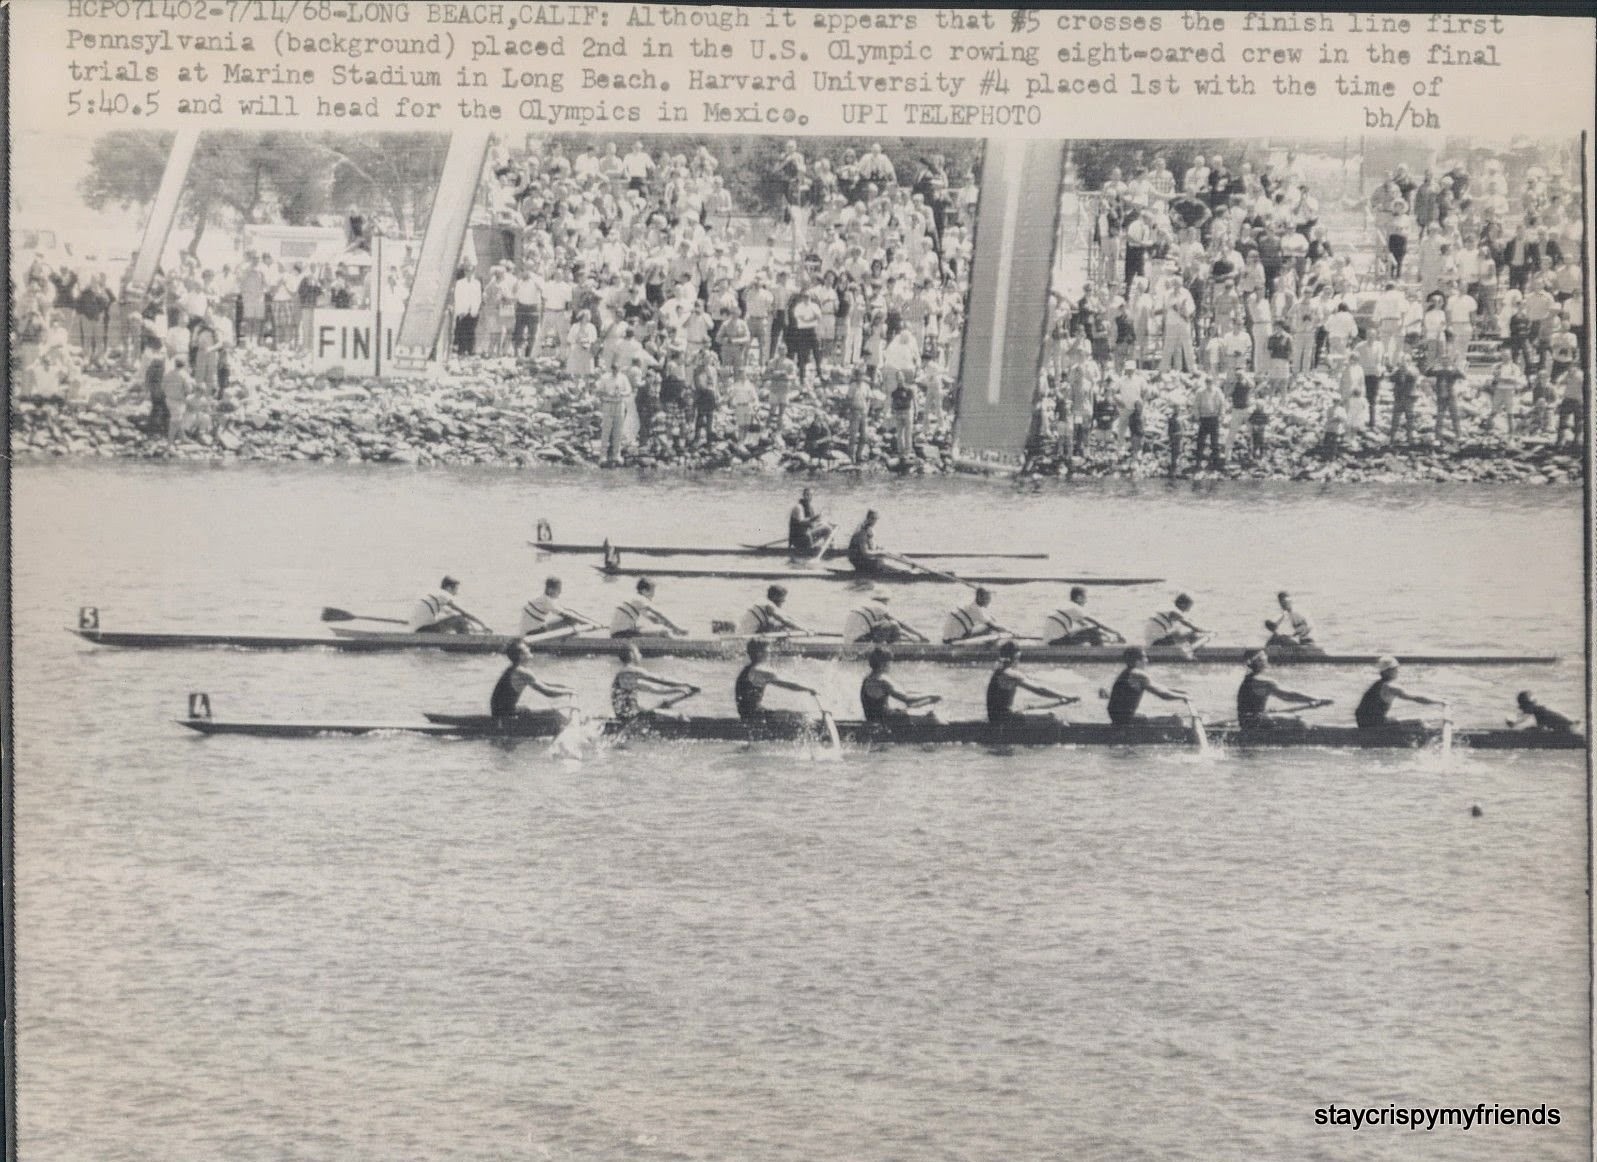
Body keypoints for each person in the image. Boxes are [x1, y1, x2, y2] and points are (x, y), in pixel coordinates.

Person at [986, 640, 1079, 726]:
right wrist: (1068, 696)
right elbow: (1040, 690)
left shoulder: (998, 672)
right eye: (1018, 659)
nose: (1018, 662)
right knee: (1052, 716)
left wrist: (1060, 699)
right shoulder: (1011, 674)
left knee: (1030, 707)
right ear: (1015, 657)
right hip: (1006, 721)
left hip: (996, 719)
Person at [1235, 650, 1328, 729]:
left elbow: (1250, 706)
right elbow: (1288, 696)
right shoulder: (1263, 682)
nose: (1266, 658)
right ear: (1258, 662)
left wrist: (1264, 712)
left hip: (1245, 722)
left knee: (1285, 717)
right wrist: (1315, 699)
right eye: (1264, 657)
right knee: (1299, 720)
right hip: (1256, 721)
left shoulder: (1247, 679)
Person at [735, 638, 820, 724]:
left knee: (788, 714)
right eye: (767, 650)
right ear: (759, 653)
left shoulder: (748, 669)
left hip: (747, 714)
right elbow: (787, 684)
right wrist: (808, 689)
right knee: (801, 717)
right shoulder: (759, 671)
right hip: (754, 715)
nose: (770, 653)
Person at [1105, 646, 1192, 726]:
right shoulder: (1137, 674)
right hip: (1126, 719)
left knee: (1156, 716)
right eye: (1145, 657)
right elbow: (1163, 695)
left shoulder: (1127, 672)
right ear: (1137, 661)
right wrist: (1183, 697)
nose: (1147, 661)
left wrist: (1181, 693)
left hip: (1118, 718)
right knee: (1176, 720)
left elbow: (1161, 688)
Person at [490, 640, 574, 721]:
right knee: (554, 715)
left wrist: (566, 688)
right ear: (521, 656)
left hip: (501, 711)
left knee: (535, 710)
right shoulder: (521, 671)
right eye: (526, 648)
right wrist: (569, 692)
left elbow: (545, 684)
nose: (529, 648)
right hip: (505, 715)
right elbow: (546, 692)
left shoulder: (515, 668)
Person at [1354, 656, 1448, 728]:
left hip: (1365, 723)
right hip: (1374, 725)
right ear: (1387, 671)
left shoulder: (1378, 684)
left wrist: (1438, 698)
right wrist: (1440, 701)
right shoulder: (1390, 687)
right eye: (1395, 668)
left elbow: (1415, 694)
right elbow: (1416, 698)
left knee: (1404, 721)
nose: (1398, 671)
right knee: (1418, 723)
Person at [611, 646, 698, 722]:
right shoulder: (630, 671)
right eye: (638, 652)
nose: (641, 655)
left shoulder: (625, 676)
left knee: (664, 704)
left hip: (627, 715)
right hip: (630, 716)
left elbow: (655, 689)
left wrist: (679, 690)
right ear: (632, 655)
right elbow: (660, 679)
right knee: (680, 717)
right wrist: (685, 685)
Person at [859, 647, 942, 723]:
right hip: (887, 721)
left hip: (873, 719)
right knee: (932, 718)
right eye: (889, 663)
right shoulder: (882, 681)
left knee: (913, 712)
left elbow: (904, 694)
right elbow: (908, 700)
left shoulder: (867, 679)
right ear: (882, 664)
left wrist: (924, 695)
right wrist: (930, 697)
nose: (890, 666)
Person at [1043, 586, 1125, 646]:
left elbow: (1086, 625)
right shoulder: (1075, 608)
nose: (1086, 601)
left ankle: (1099, 648)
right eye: (1085, 598)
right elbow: (1098, 624)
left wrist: (1106, 635)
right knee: (1093, 632)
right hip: (1057, 642)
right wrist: (1117, 632)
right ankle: (1100, 652)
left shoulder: (1065, 605)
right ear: (1079, 598)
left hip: (1051, 641)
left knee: (1092, 631)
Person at [610, 578, 689, 638]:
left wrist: (667, 626)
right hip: (623, 634)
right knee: (665, 632)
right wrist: (678, 629)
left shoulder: (633, 599)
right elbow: (660, 614)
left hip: (616, 633)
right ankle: (680, 644)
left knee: (646, 628)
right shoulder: (641, 599)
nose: (653, 596)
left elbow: (653, 619)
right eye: (652, 592)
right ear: (644, 591)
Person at [520, 577, 594, 638]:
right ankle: (575, 638)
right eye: (558, 590)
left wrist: (589, 621)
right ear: (550, 590)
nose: (560, 592)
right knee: (570, 620)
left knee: (571, 616)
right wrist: (588, 624)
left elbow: (567, 611)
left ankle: (575, 634)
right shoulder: (548, 601)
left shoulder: (542, 598)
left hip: (528, 630)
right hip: (532, 633)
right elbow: (568, 616)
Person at [845, 510, 912, 578]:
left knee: (886, 555)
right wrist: (880, 553)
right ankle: (904, 573)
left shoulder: (869, 529)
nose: (874, 521)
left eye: (876, 518)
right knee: (881, 562)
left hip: (864, 558)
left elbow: (872, 546)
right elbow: (865, 553)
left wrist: (880, 549)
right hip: (859, 561)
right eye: (872, 518)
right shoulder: (862, 532)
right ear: (867, 518)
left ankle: (908, 567)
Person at [940, 587, 1016, 645]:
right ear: (979, 597)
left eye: (989, 598)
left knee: (990, 622)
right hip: (953, 640)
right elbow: (994, 626)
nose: (989, 601)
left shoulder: (969, 604)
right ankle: (990, 648)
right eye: (987, 598)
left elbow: (989, 619)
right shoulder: (976, 610)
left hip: (947, 637)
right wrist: (1011, 631)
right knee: (989, 628)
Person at [410, 576, 486, 634]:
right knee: (459, 619)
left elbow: (450, 614)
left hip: (417, 629)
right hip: (424, 629)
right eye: (456, 589)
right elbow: (464, 613)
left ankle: (458, 643)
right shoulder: (444, 594)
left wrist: (473, 627)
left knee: (456, 620)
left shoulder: (434, 593)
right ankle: (467, 644)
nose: (456, 593)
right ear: (449, 588)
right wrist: (483, 624)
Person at [843, 593, 927, 644]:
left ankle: (887, 646)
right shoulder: (880, 606)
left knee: (885, 625)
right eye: (887, 601)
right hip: (860, 641)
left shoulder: (865, 604)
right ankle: (894, 649)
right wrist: (920, 635)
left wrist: (907, 635)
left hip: (848, 639)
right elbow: (900, 623)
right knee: (894, 625)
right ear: (884, 600)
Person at [737, 585, 814, 637]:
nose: (783, 602)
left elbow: (788, 617)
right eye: (782, 600)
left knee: (778, 625)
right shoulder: (768, 605)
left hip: (746, 633)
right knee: (781, 625)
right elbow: (785, 620)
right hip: (747, 637)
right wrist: (804, 630)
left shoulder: (763, 601)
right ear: (775, 597)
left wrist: (806, 627)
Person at [1506, 691, 1580, 736]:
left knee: (1531, 729)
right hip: (1568, 726)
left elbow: (1524, 718)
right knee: (1532, 729)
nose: (1522, 709)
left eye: (1523, 706)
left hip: (1565, 728)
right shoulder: (1539, 709)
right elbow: (1523, 715)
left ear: (1527, 704)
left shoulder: (1534, 709)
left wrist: (1514, 724)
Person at [787, 488, 834, 555]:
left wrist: (825, 523)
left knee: (828, 527)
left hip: (806, 537)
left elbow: (813, 524)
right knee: (827, 529)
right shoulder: (798, 507)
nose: (809, 497)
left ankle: (830, 550)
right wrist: (815, 518)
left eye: (810, 495)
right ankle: (831, 552)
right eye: (807, 495)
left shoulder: (810, 508)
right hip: (799, 540)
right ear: (803, 495)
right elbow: (802, 522)